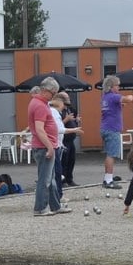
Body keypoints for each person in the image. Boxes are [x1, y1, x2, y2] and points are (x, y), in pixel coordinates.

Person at [27, 79, 65, 216]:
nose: (53, 96)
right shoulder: (39, 105)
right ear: (45, 90)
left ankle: (55, 206)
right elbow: (39, 129)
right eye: (53, 93)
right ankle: (40, 208)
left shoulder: (41, 103)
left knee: (51, 178)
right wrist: (49, 147)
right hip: (43, 147)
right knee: (45, 179)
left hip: (46, 145)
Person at [100, 75, 133, 187]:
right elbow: (127, 99)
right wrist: (130, 97)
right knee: (111, 155)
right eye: (117, 85)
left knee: (109, 154)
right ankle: (108, 180)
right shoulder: (114, 96)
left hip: (105, 127)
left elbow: (114, 107)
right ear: (111, 86)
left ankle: (107, 177)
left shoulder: (105, 97)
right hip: (112, 129)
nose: (119, 87)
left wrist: (121, 105)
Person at [58, 92, 81, 186]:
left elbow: (72, 120)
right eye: (66, 98)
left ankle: (69, 179)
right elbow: (57, 126)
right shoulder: (58, 111)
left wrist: (76, 121)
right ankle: (62, 180)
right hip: (64, 139)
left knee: (71, 160)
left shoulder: (69, 109)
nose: (69, 99)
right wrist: (66, 119)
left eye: (68, 97)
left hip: (71, 139)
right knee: (64, 160)